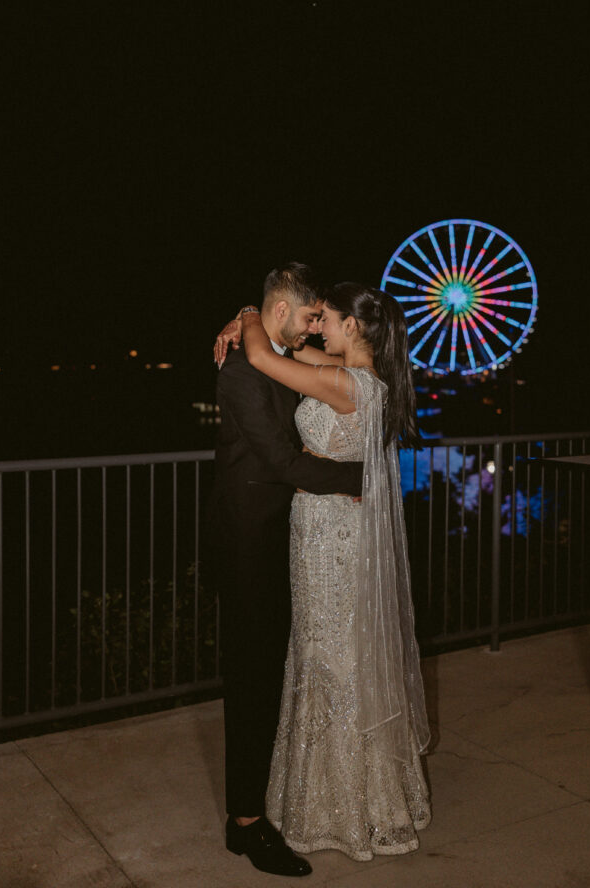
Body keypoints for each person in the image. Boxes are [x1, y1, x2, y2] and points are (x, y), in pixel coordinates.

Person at [218, 282, 431, 862]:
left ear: (354, 329)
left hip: (330, 534)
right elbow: (285, 353)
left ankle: (334, 802)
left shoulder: (345, 383)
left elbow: (264, 358)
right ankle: (349, 792)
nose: (318, 329)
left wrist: (243, 315)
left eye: (327, 321)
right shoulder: (363, 377)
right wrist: (250, 314)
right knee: (334, 652)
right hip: (328, 526)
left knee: (329, 655)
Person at [212, 263, 364, 878]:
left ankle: (256, 802)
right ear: (280, 311)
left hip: (287, 538)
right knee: (249, 678)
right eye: (306, 317)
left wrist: (244, 317)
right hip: (250, 540)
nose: (311, 329)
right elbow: (278, 459)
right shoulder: (242, 368)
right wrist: (363, 480)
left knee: (270, 672)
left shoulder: (269, 350)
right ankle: (245, 824)